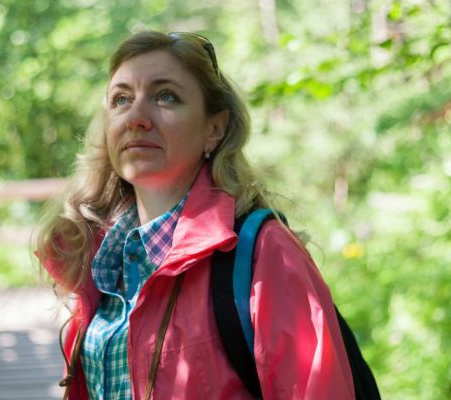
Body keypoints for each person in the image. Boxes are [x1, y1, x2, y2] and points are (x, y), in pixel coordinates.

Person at [35, 30, 355, 399]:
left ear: (214, 129)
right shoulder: (96, 260)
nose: (136, 117)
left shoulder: (263, 254)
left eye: (165, 96)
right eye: (121, 99)